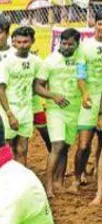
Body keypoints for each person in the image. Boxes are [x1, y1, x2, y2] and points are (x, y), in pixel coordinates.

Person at [34, 28, 85, 198]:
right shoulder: (50, 61)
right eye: (64, 43)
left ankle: (59, 182)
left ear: (78, 44)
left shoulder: (81, 60)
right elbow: (38, 85)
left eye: (71, 44)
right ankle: (48, 186)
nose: (67, 47)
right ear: (59, 42)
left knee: (66, 147)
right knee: (56, 145)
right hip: (56, 109)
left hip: (75, 108)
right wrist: (52, 95)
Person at [0, 26, 41, 166]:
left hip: (26, 110)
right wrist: (9, 114)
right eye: (19, 42)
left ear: (32, 41)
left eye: (26, 42)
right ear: (14, 42)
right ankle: (7, 181)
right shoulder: (6, 62)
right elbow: (1, 90)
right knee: (7, 149)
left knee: (22, 149)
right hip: (10, 109)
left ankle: (20, 182)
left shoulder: (36, 61)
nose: (22, 45)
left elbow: (39, 83)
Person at [70, 11, 102, 194]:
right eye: (100, 23)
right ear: (95, 24)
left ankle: (98, 174)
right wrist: (84, 94)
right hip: (89, 99)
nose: (101, 28)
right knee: (84, 144)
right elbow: (80, 75)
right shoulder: (84, 47)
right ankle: (77, 178)